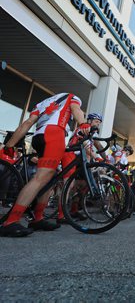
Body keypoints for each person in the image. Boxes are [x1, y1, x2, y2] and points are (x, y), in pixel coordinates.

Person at [0, 93, 89, 237]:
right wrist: (83, 123)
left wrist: (9, 145)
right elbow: (76, 109)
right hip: (54, 133)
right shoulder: (72, 97)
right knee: (40, 178)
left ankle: (38, 218)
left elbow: (27, 123)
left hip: (39, 136)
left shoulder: (42, 103)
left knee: (50, 178)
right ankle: (11, 221)